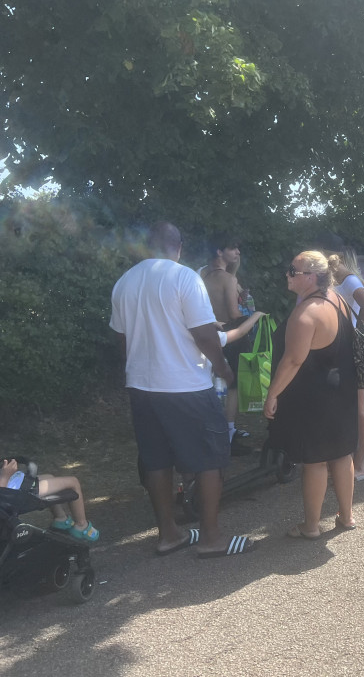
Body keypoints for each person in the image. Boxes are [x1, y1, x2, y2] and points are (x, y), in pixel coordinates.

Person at [110, 221, 254, 558]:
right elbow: (204, 334)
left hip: (142, 388)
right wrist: (222, 367)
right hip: (186, 386)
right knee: (210, 458)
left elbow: (122, 340)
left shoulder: (124, 282)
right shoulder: (184, 277)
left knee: (156, 460)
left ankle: (169, 534)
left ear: (146, 246)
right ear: (179, 247)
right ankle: (211, 538)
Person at [264, 251, 358, 539]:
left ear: (310, 277)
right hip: (342, 389)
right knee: (342, 455)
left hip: (316, 397)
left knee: (316, 462)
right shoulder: (338, 300)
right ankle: (346, 516)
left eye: (293, 270)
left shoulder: (306, 314)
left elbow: (292, 360)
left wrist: (272, 394)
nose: (287, 274)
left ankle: (311, 527)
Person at [201, 236, 253, 454]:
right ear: (219, 251)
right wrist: (251, 314)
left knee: (211, 385)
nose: (237, 252)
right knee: (233, 386)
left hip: (205, 334)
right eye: (233, 248)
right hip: (230, 335)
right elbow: (233, 313)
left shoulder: (201, 273)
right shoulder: (228, 280)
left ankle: (213, 430)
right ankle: (229, 432)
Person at [331, 249, 364, 482]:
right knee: (342, 407)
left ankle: (359, 464)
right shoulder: (338, 280)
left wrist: (357, 335)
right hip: (336, 351)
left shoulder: (349, 280)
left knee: (357, 408)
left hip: (349, 350)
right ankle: (347, 463)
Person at [1, 458, 100, 542]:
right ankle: (81, 525)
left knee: (49, 477)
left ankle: (61, 518)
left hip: (16, 484)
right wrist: (6, 475)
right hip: (15, 494)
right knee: (73, 482)